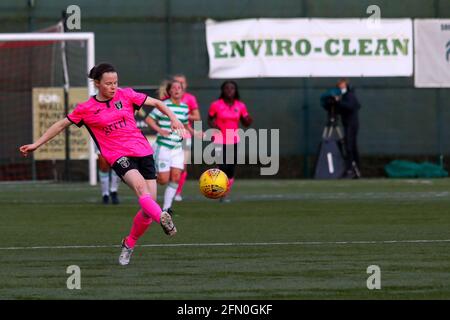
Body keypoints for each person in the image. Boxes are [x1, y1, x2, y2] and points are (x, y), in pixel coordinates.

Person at [19, 63, 184, 266]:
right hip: (118, 156)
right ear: (97, 84)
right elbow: (61, 125)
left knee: (148, 211)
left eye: (115, 82)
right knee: (142, 190)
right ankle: (164, 219)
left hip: (143, 152)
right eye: (108, 83)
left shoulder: (127, 95)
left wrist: (174, 118)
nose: (113, 87)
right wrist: (36, 144)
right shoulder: (86, 108)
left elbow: (159, 103)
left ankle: (129, 243)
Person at [145, 80, 191, 212]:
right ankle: (146, 177)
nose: (177, 90)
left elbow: (186, 125)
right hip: (163, 146)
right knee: (163, 180)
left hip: (177, 148)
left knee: (176, 177)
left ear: (183, 91)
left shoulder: (184, 107)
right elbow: (149, 119)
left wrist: (197, 132)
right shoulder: (164, 105)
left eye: (179, 88)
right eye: (174, 88)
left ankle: (167, 208)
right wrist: (160, 130)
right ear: (169, 91)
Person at [208, 80, 252, 201]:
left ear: (235, 91)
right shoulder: (216, 104)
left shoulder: (240, 105)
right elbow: (210, 118)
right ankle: (217, 191)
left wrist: (248, 120)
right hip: (219, 138)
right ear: (222, 90)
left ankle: (224, 192)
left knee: (230, 169)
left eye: (232, 88)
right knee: (222, 166)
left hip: (233, 139)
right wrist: (214, 126)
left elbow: (245, 121)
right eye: (227, 88)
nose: (229, 90)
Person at [172, 74, 201, 202]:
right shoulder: (167, 99)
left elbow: (197, 117)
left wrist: (182, 113)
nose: (180, 85)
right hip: (170, 136)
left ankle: (177, 193)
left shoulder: (190, 98)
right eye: (177, 82)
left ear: (186, 85)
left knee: (183, 165)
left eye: (182, 82)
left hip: (185, 135)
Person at [335, 79, 362, 178]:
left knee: (350, 147)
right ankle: (354, 168)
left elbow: (351, 106)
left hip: (351, 124)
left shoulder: (350, 96)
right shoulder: (345, 96)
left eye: (342, 86)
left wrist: (339, 101)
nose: (340, 88)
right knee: (351, 146)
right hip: (348, 124)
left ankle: (351, 169)